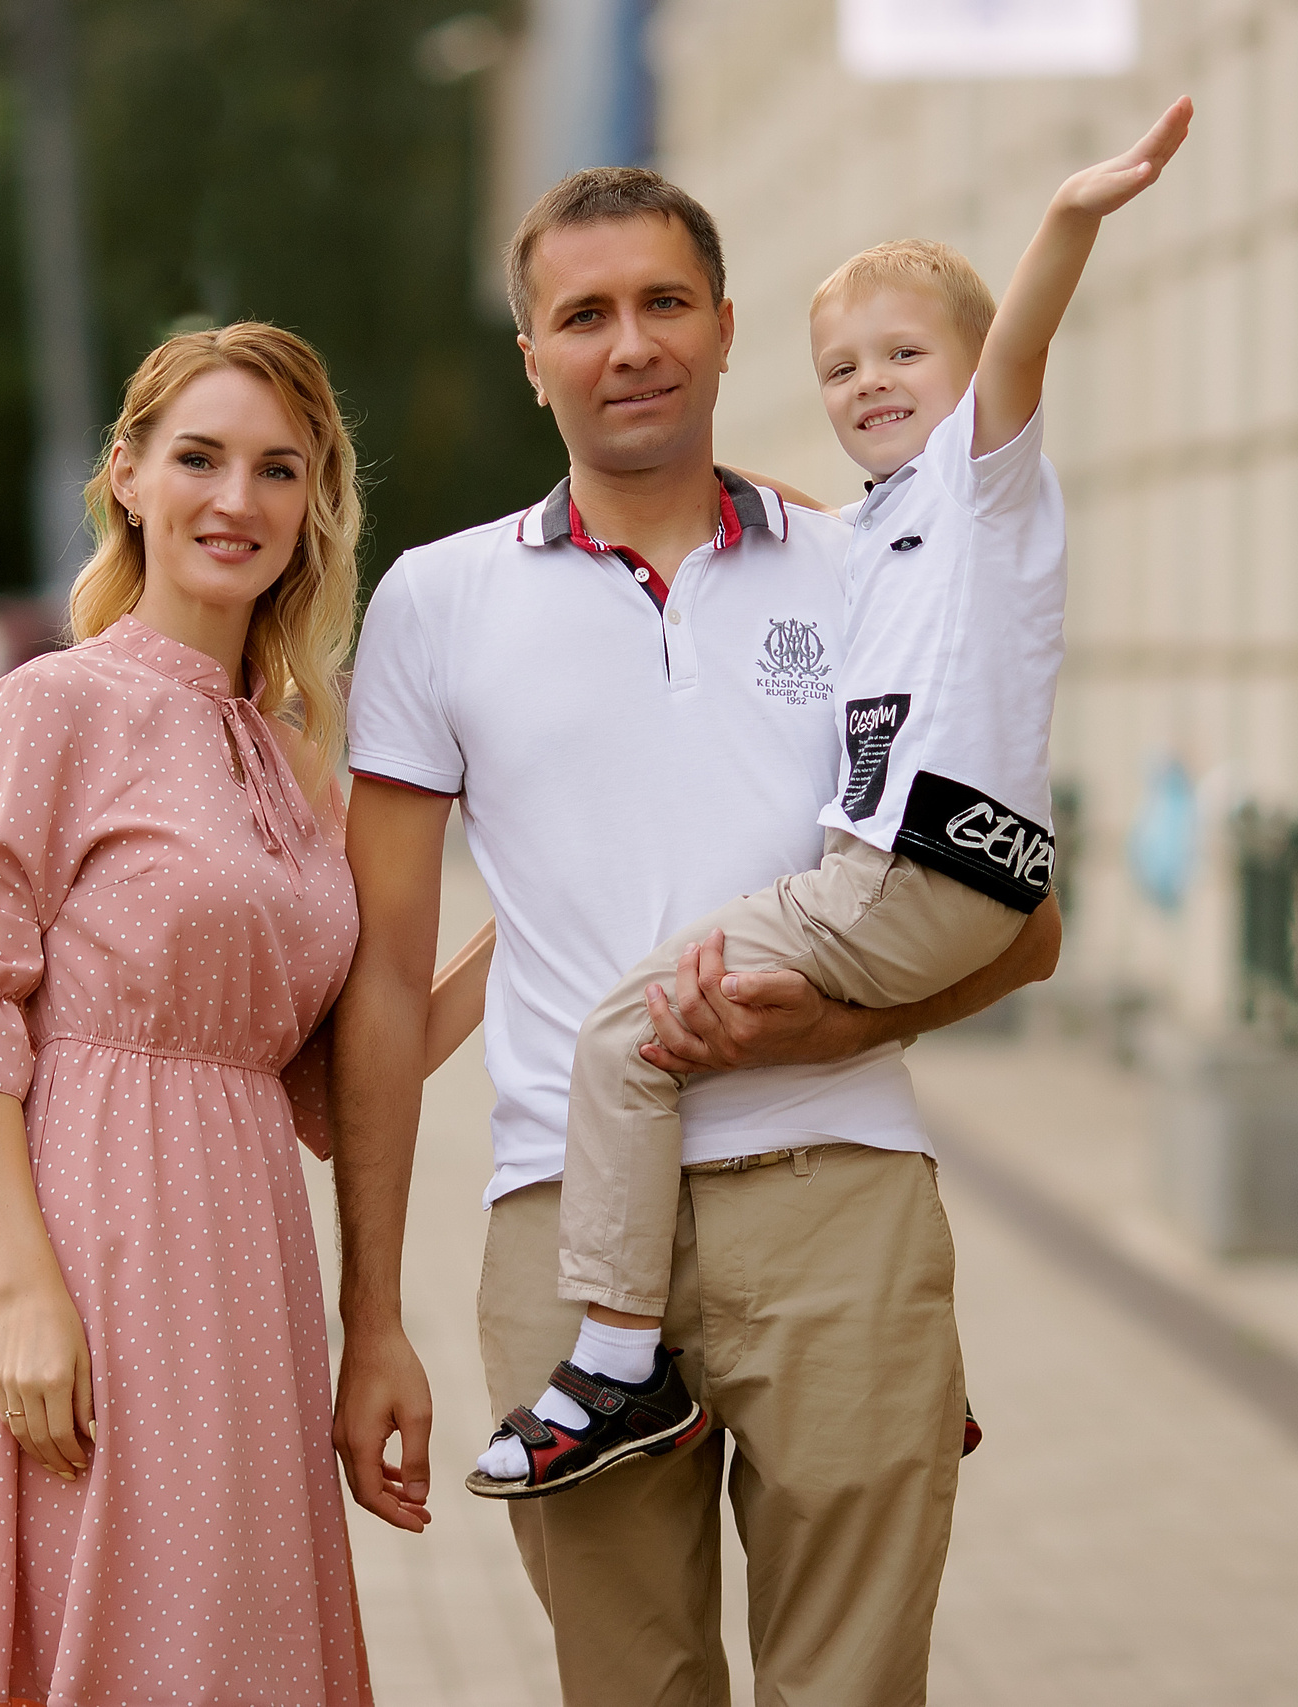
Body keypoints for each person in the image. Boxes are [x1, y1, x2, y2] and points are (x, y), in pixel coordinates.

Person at [330, 170, 1063, 1703]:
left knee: (851, 1685)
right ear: (529, 353)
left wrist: (835, 1028)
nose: (631, 344)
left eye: (665, 303)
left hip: (835, 1198)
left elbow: (1023, 922)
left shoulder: (874, 567)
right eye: (582, 315)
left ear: (726, 330)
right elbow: (388, 981)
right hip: (560, 1220)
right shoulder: (435, 604)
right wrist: (369, 1318)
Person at [472, 98, 1194, 1500]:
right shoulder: (881, 534)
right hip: (935, 875)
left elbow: (1022, 343)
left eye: (906, 357)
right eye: (843, 367)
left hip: (905, 872)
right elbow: (804, 524)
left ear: (979, 379)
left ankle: (616, 1366)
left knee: (625, 1036)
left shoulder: (981, 484)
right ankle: (899, 1382)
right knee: (676, 1018)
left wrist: (1067, 220)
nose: (870, 383)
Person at [0, 322, 435, 1707]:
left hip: (251, 1261)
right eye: (199, 458)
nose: (235, 500)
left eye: (276, 468)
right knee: (123, 1624)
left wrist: (553, 942)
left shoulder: (295, 749)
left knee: (231, 1642)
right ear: (127, 474)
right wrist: (24, 1291)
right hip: (100, 1244)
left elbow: (331, 1068)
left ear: (313, 503)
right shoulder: (49, 711)